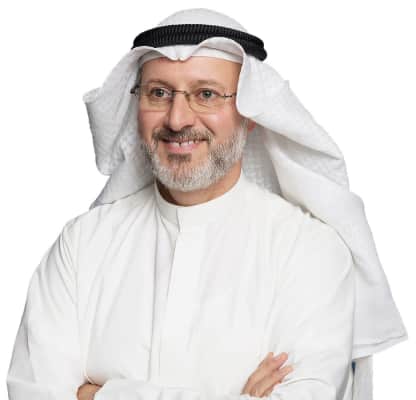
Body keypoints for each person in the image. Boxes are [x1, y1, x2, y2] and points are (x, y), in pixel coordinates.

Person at [6, 8, 407, 400]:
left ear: (250, 112)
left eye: (206, 95)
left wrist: (99, 394)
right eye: (159, 93)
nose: (178, 119)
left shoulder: (310, 251)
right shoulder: (81, 246)